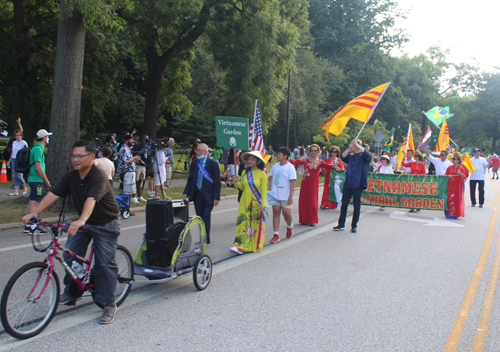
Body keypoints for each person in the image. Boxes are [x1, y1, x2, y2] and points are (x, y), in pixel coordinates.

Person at [23, 141, 121, 324]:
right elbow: (53, 195)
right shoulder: (71, 176)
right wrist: (33, 213)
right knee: (69, 256)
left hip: (106, 224)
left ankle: (109, 304)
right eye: (73, 156)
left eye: (79, 156)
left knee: (105, 264)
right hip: (84, 223)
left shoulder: (98, 176)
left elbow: (91, 200)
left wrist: (81, 220)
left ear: (91, 157)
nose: (75, 159)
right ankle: (73, 292)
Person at [230, 151, 267, 254]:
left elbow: (264, 191)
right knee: (243, 221)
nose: (249, 161)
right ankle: (239, 245)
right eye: (248, 159)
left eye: (252, 159)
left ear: (257, 161)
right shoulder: (244, 172)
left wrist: (263, 204)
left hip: (256, 201)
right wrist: (237, 181)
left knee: (254, 223)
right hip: (244, 200)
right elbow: (242, 187)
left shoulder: (262, 174)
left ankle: (253, 244)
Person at [183, 143, 221, 244]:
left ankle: (206, 238)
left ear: (205, 152)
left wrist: (217, 197)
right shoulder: (195, 163)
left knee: (206, 216)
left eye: (199, 150)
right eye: (197, 150)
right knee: (199, 217)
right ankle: (202, 237)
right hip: (197, 194)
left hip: (208, 195)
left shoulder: (213, 164)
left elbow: (217, 182)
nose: (197, 152)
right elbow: (190, 179)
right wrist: (185, 193)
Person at [289, 144, 333, 226]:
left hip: (314, 184)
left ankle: (312, 219)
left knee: (312, 201)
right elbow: (296, 162)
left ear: (318, 152)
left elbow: (328, 166)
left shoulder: (319, 161)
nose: (313, 152)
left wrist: (335, 166)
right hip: (305, 183)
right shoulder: (305, 159)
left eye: (315, 150)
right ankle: (304, 219)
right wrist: (287, 159)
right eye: (311, 150)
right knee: (304, 200)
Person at [333, 139, 371, 233]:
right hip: (348, 183)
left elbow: (368, 155)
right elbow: (343, 156)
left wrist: (357, 145)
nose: (352, 146)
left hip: (358, 184)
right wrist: (349, 149)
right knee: (344, 205)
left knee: (356, 206)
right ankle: (341, 224)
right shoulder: (350, 156)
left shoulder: (363, 156)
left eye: (353, 145)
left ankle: (354, 225)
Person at [24, 129, 52, 234]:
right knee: (35, 202)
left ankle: (28, 225)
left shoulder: (36, 148)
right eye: (47, 137)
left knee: (32, 201)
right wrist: (46, 181)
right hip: (37, 180)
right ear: (44, 138)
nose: (48, 139)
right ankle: (32, 225)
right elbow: (38, 168)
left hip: (33, 179)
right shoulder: (38, 149)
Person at [268, 147, 296, 244]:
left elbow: (293, 182)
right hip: (275, 194)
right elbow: (271, 177)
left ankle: (289, 226)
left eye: (279, 154)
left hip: (285, 194)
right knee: (275, 213)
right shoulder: (275, 166)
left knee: (286, 214)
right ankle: (276, 234)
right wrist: (270, 189)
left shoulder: (290, 167)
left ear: (285, 156)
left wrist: (291, 196)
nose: (277, 156)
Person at [119, 135, 141, 204]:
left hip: (131, 171)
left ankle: (130, 201)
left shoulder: (128, 149)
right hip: (127, 171)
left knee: (131, 187)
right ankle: (125, 204)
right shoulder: (124, 149)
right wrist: (134, 158)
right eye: (131, 140)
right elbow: (126, 161)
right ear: (126, 141)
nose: (132, 141)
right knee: (127, 189)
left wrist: (135, 160)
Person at [445, 153, 467, 219]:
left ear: (458, 160)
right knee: (449, 198)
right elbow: (445, 175)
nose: (453, 160)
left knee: (456, 199)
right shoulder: (449, 168)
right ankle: (448, 213)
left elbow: (464, 177)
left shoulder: (462, 168)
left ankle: (455, 214)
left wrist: (461, 174)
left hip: (457, 186)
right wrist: (448, 176)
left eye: (454, 159)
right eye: (453, 159)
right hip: (450, 185)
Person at [7, 129, 28, 196]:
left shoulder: (23, 143)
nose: (17, 137)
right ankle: (16, 190)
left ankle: (24, 186)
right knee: (14, 175)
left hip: (20, 160)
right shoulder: (14, 142)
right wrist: (9, 160)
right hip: (13, 159)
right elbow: (12, 152)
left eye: (18, 135)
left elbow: (26, 152)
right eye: (16, 135)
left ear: (21, 135)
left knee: (19, 175)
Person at [131, 134, 150, 202]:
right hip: (138, 164)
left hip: (143, 165)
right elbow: (132, 152)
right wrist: (139, 152)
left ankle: (139, 195)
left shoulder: (146, 146)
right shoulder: (138, 145)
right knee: (136, 180)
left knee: (141, 180)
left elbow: (147, 155)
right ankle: (133, 196)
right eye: (146, 139)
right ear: (143, 139)